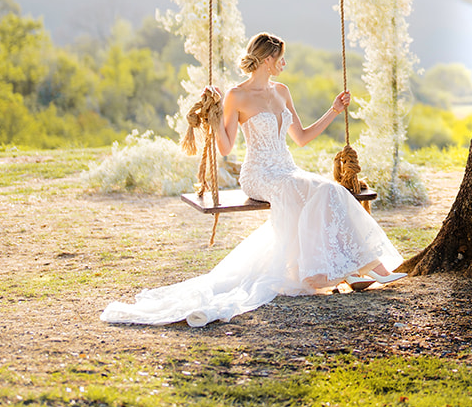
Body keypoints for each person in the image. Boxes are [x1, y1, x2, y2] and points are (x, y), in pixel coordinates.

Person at [101, 32, 405, 326]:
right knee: (311, 191)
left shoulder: (282, 91)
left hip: (287, 169)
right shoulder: (237, 95)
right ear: (269, 59)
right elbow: (225, 147)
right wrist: (215, 115)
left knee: (330, 191)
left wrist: (334, 110)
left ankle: (361, 268)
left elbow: (300, 138)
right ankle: (351, 270)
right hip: (259, 174)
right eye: (281, 58)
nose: (285, 63)